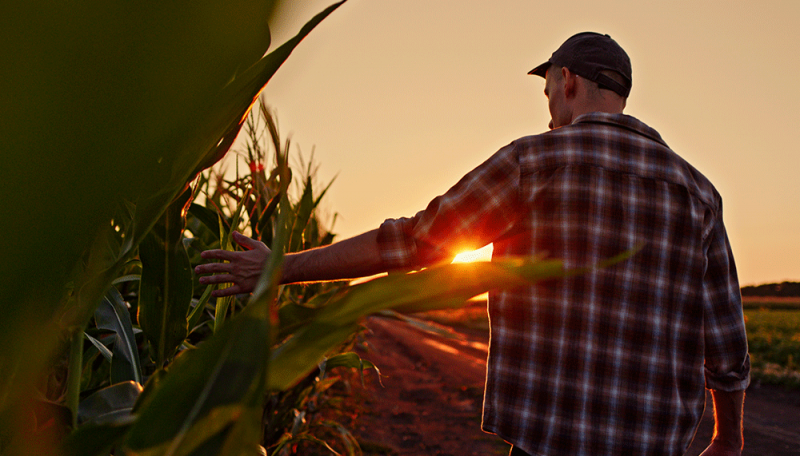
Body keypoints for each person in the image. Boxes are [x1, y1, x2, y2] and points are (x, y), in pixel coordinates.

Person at [195, 32, 750, 456]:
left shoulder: (533, 163)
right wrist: (728, 436)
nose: (549, 105)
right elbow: (724, 342)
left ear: (570, 82)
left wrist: (282, 268)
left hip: (545, 440)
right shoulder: (698, 192)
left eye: (549, 90)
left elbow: (415, 242)